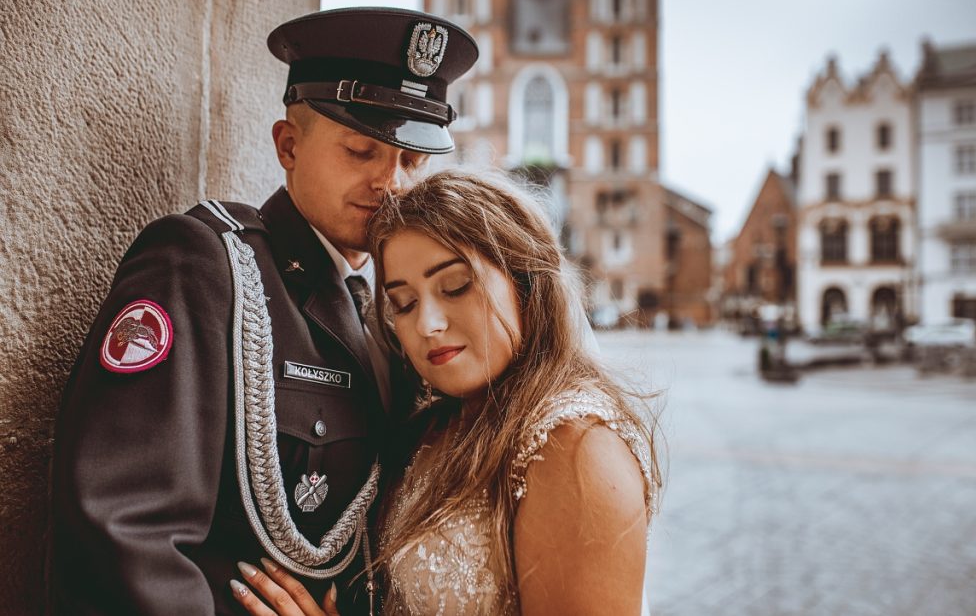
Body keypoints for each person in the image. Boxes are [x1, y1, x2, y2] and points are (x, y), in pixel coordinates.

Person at [48, 7, 477, 615]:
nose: (393, 183)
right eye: (362, 150)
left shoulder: (398, 306)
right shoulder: (206, 266)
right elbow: (125, 533)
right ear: (289, 146)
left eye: (411, 160)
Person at [228, 171, 661, 615]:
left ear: (525, 282)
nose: (426, 325)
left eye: (455, 287)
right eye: (405, 303)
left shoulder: (578, 450)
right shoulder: (430, 428)